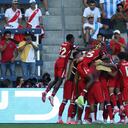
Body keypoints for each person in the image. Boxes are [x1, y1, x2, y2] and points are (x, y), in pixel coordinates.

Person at [42, 34, 76, 107]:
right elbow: (79, 49)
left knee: (55, 79)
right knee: (60, 80)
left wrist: (70, 59)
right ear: (70, 39)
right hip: (62, 64)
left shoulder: (63, 44)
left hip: (58, 61)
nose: (74, 40)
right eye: (73, 39)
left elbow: (65, 54)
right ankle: (52, 96)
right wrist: (89, 48)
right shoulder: (70, 44)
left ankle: (45, 91)